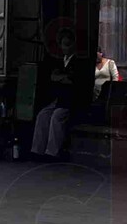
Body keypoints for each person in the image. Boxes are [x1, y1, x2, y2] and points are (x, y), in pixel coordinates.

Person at [31, 28, 92, 160]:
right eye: (63, 45)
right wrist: (62, 78)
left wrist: (61, 78)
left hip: (71, 101)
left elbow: (74, 81)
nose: (65, 48)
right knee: (42, 115)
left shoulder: (80, 61)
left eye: (68, 45)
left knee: (57, 117)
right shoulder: (58, 61)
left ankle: (52, 152)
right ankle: (37, 150)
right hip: (58, 99)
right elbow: (52, 77)